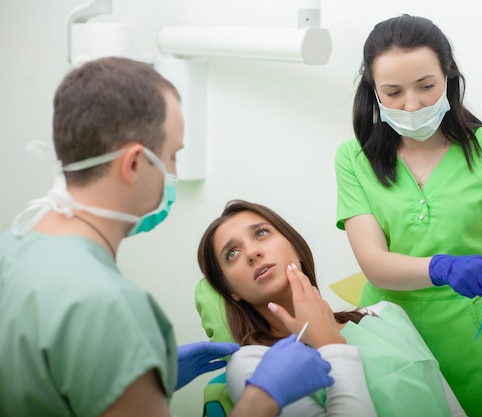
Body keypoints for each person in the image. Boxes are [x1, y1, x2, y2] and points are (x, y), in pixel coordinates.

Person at [0, 57, 333, 417]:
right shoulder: (112, 309)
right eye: (172, 157)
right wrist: (262, 399)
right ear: (133, 165)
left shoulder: (10, 251)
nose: (173, 172)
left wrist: (138, 378)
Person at [334, 14, 482, 417]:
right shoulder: (354, 158)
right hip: (387, 338)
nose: (412, 104)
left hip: (468, 341)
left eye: (425, 86)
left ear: (448, 75)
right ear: (373, 92)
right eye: (393, 92)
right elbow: (375, 265)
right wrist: (442, 267)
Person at [196, 199, 468, 417]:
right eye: (232, 254)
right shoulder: (253, 364)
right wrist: (330, 345)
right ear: (231, 291)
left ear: (296, 247)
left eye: (261, 233)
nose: (252, 252)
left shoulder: (387, 315)